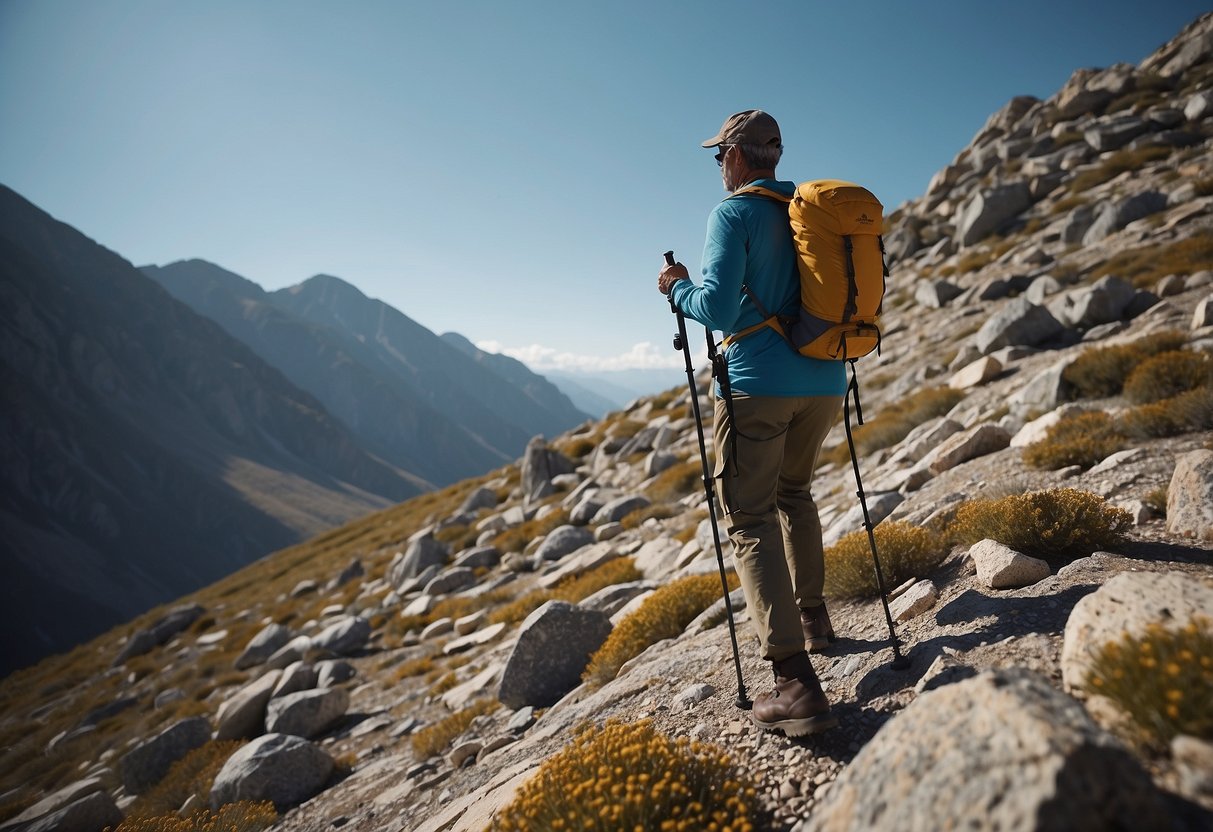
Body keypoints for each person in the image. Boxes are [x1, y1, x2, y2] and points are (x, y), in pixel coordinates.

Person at [657, 109, 846, 737]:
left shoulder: (733, 214)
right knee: (795, 493)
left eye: (719, 156)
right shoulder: (811, 213)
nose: (719, 166)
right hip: (823, 380)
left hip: (757, 386)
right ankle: (815, 621)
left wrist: (675, 287)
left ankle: (794, 684)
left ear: (737, 156)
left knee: (749, 515)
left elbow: (713, 307)